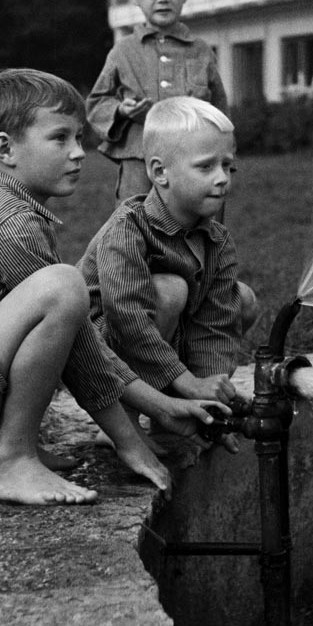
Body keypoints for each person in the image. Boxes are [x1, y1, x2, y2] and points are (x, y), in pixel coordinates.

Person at [0, 68, 228, 506]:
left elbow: (72, 343)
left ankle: (9, 446)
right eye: (60, 139)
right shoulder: (8, 223)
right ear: (5, 149)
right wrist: (135, 432)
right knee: (64, 287)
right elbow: (82, 349)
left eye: (80, 138)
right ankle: (9, 460)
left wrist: (159, 406)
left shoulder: (12, 210)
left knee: (64, 293)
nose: (79, 153)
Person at [77, 98, 257, 443]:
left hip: (155, 340)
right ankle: (121, 421)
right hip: (98, 350)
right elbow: (127, 319)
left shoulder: (217, 240)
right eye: (205, 167)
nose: (222, 179)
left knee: (241, 299)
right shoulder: (128, 228)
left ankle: (178, 414)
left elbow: (214, 324)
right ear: (160, 173)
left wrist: (208, 398)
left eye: (228, 166)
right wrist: (185, 380)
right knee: (171, 290)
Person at [86, 0, 228, 201]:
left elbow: (220, 112)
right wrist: (121, 110)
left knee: (196, 228)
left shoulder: (201, 51)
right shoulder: (123, 51)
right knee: (135, 226)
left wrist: (224, 159)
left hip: (194, 159)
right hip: (138, 162)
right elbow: (97, 103)